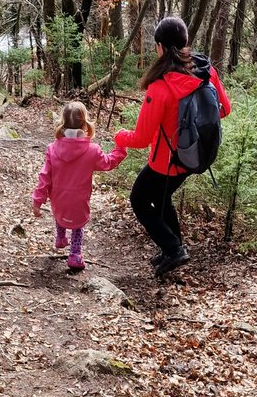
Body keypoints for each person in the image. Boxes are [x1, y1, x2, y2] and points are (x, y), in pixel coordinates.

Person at [114, 15, 231, 277]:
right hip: (193, 157)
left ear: (160, 46)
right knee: (162, 197)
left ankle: (174, 249)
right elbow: (225, 109)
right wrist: (193, 127)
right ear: (185, 43)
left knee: (140, 200)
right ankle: (173, 250)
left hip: (166, 161)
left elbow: (141, 138)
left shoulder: (160, 87)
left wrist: (120, 136)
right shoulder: (205, 71)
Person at [32, 101, 126, 271]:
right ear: (84, 124)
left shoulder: (52, 149)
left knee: (61, 213)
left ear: (63, 123)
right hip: (79, 199)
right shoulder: (92, 150)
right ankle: (75, 254)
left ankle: (60, 237)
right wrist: (120, 148)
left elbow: (44, 176)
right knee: (77, 227)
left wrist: (37, 201)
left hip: (58, 198)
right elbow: (108, 162)